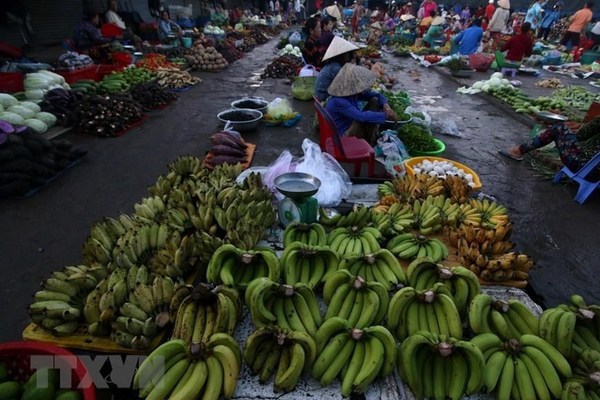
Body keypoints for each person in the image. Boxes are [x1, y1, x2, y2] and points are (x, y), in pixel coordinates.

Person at [500, 117, 600, 181]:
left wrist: (580, 127)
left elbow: (581, 135)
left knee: (559, 129)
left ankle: (518, 151)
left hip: (585, 169)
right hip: (597, 176)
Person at [325, 63, 396, 146]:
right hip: (341, 137)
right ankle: (371, 142)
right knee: (363, 120)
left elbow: (377, 95)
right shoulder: (339, 101)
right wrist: (385, 116)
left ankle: (371, 137)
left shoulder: (351, 94)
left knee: (375, 100)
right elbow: (361, 117)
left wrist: (386, 106)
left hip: (349, 125)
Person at [315, 36, 359, 101]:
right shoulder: (335, 67)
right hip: (324, 96)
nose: (348, 55)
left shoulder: (335, 64)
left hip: (322, 93)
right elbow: (345, 85)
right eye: (346, 54)